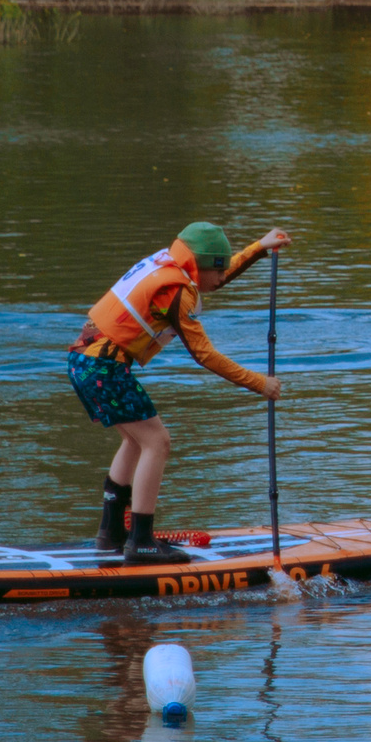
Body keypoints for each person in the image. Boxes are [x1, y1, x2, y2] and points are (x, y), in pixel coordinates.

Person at [70, 221, 288, 564]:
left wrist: (259, 248)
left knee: (134, 440)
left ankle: (110, 533)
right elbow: (205, 355)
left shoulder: (168, 265)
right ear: (201, 266)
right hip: (105, 367)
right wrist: (259, 382)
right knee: (158, 441)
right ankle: (141, 542)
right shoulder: (176, 291)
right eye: (218, 269)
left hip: (83, 360)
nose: (221, 279)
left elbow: (215, 275)